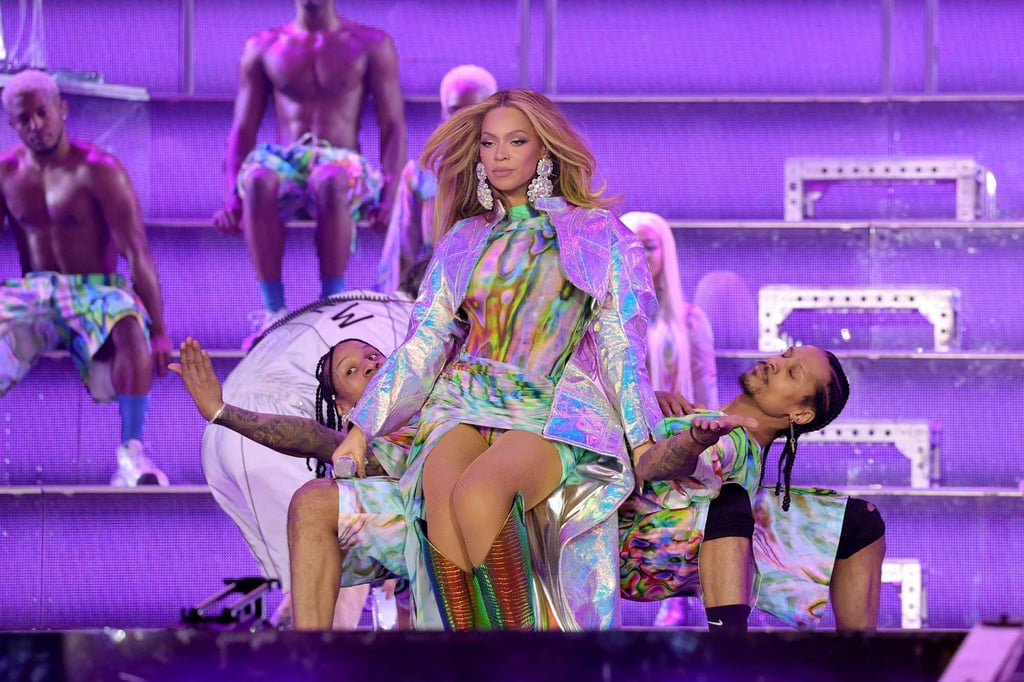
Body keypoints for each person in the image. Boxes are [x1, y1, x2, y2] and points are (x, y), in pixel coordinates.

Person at [330, 89, 661, 631]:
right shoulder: (464, 238)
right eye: (489, 143)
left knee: (480, 493)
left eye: (516, 141)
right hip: (463, 403)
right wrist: (363, 427)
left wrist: (642, 435)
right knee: (441, 509)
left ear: (544, 152)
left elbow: (621, 342)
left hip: (550, 408)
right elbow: (425, 341)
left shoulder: (598, 234)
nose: (500, 154)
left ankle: (522, 658)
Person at [171, 291, 415, 628]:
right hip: (419, 519)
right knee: (322, 513)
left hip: (464, 511)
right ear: (343, 409)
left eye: (374, 356)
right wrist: (221, 412)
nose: (370, 364)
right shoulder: (364, 446)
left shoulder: (430, 384)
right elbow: (315, 437)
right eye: (352, 370)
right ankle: (313, 657)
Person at [620, 345, 887, 632]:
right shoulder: (706, 421)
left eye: (792, 372)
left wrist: (692, 441)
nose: (774, 362)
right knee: (859, 521)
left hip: (634, 550)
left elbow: (655, 467)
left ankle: (735, 646)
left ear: (800, 414)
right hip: (609, 528)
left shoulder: (730, 441)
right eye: (785, 355)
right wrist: (646, 405)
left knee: (858, 522)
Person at [0, 69, 170, 486]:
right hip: (35, 291)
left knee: (131, 322)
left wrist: (161, 332)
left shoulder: (100, 169)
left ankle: (132, 454)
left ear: (63, 110)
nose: (36, 126)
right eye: (25, 119)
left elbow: (136, 252)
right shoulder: (6, 174)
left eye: (43, 113)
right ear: (12, 124)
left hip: (95, 289)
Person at [213, 0, 406, 347]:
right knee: (257, 178)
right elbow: (242, 129)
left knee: (331, 177)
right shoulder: (264, 46)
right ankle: (273, 310)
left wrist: (390, 195)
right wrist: (232, 197)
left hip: (343, 163)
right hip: (289, 160)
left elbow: (392, 125)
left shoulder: (370, 43)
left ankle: (331, 306)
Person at [620, 209, 717, 626]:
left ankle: (678, 598)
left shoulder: (689, 320)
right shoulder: (612, 319)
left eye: (650, 245)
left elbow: (705, 385)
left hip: (676, 434)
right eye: (633, 244)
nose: (641, 253)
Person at [376, 65, 498, 294]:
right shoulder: (421, 175)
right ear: (443, 115)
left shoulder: (516, 170)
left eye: (475, 110)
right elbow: (400, 255)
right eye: (455, 110)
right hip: (438, 299)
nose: (464, 119)